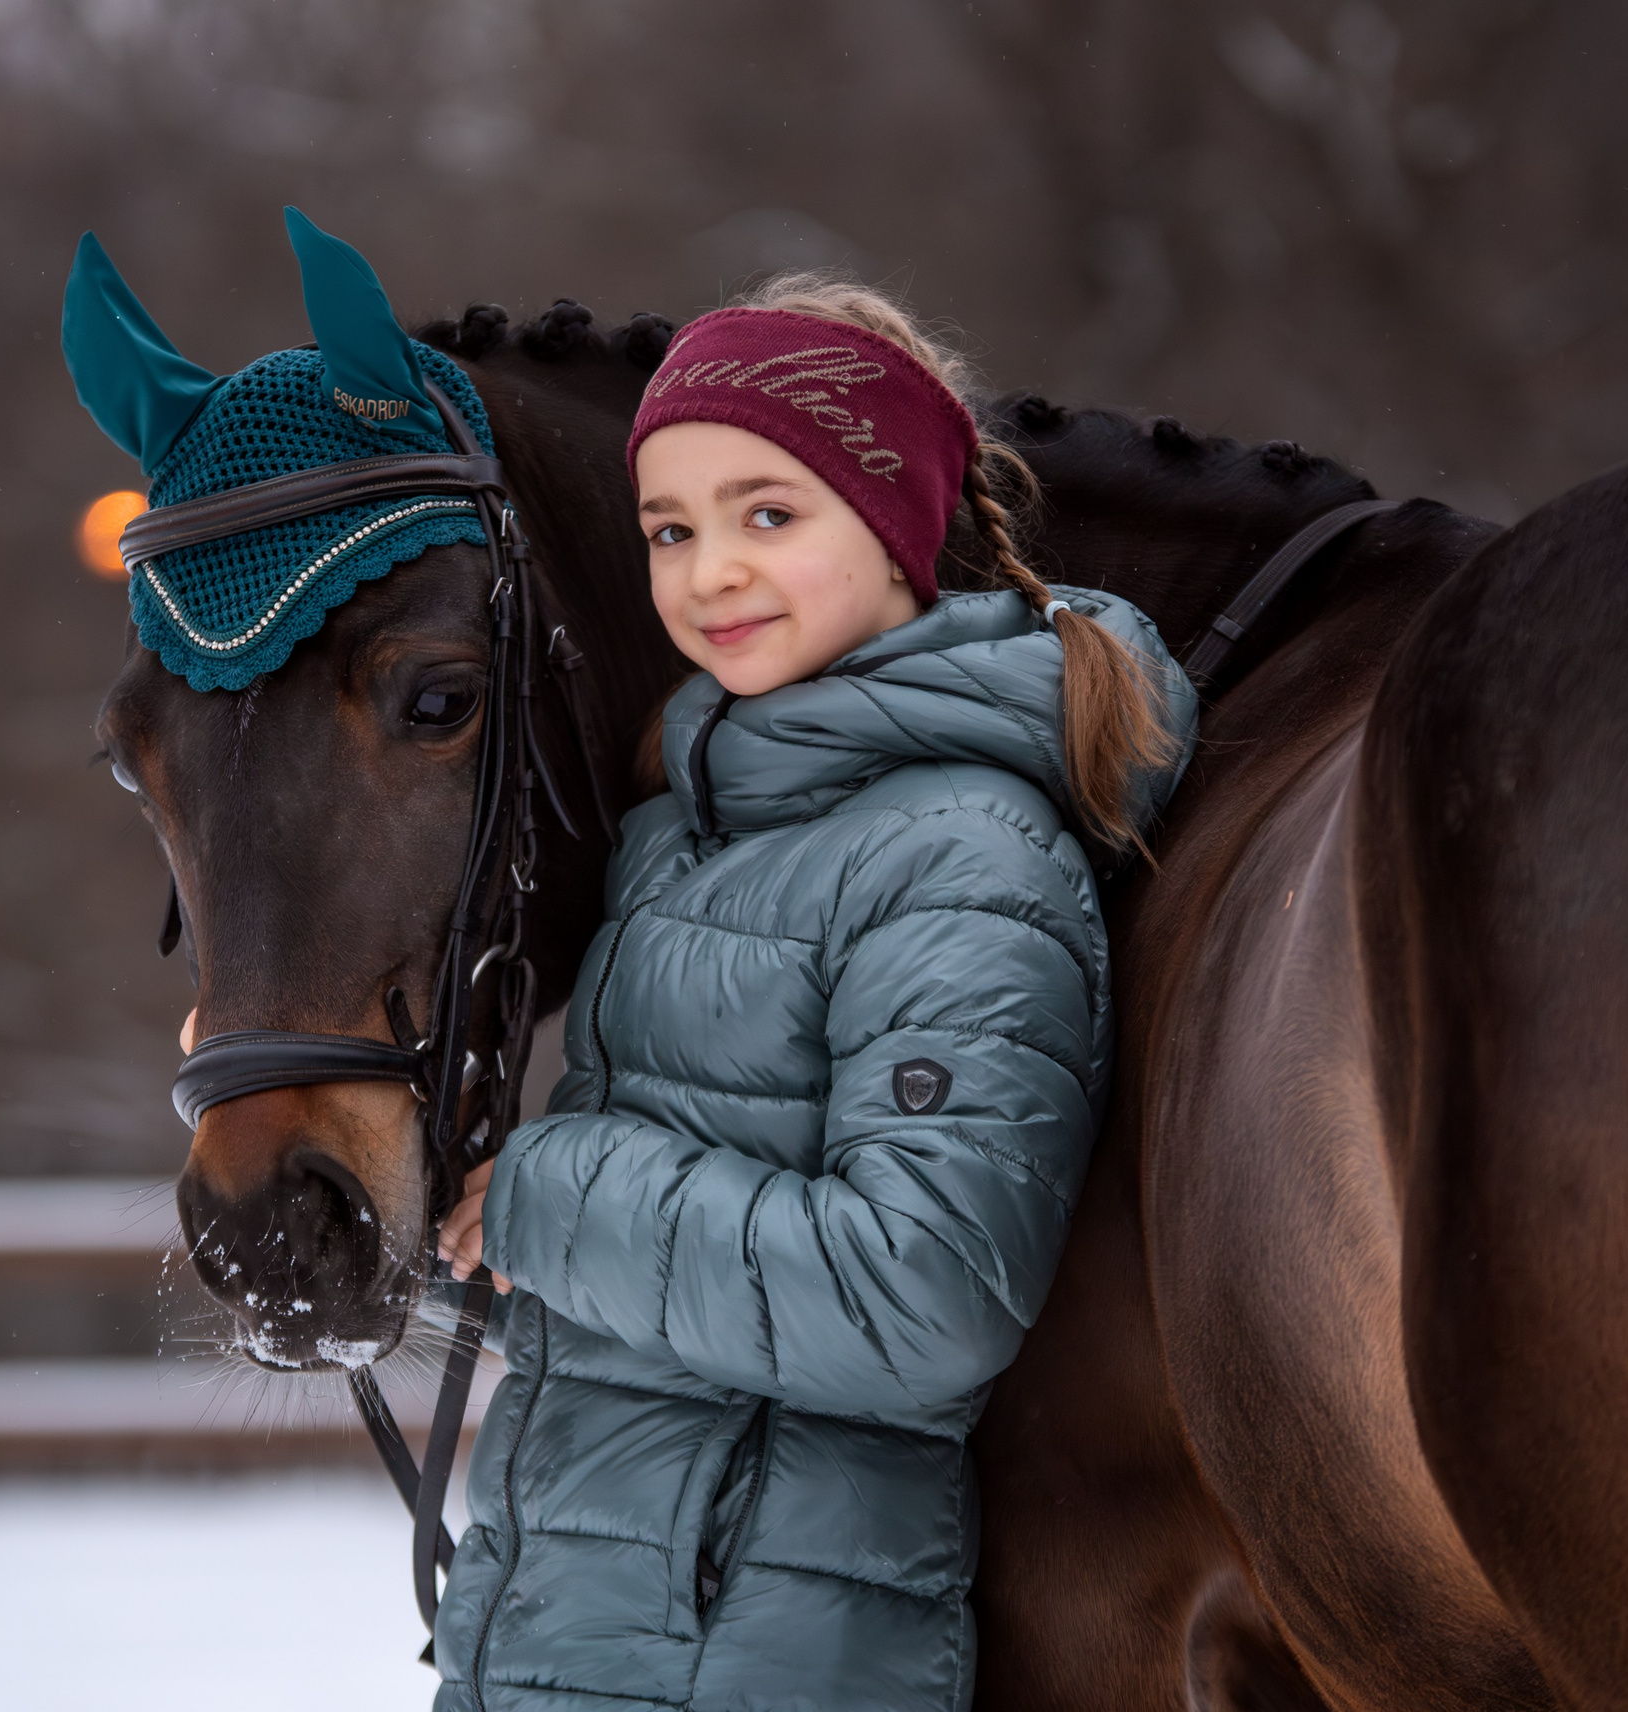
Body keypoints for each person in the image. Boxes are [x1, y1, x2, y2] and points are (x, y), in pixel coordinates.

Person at [430, 276, 1199, 1712]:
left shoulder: (962, 854)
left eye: (769, 514)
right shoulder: (681, 834)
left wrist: (559, 1198)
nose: (709, 571)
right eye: (671, 530)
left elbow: (923, 1294)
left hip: (765, 1656)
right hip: (578, 1635)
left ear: (900, 525)